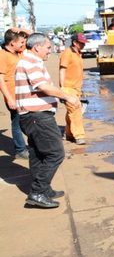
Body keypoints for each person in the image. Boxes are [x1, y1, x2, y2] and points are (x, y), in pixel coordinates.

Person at [15, 33, 81, 208]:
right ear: (37, 47)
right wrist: (68, 97)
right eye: (48, 48)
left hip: (33, 116)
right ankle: (37, 192)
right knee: (55, 153)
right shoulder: (30, 62)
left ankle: (43, 189)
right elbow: (43, 87)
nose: (50, 51)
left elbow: (41, 89)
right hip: (37, 116)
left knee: (38, 154)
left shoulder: (30, 61)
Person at [0, 27, 30, 159]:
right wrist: (9, 99)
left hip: (22, 94)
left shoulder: (17, 52)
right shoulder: (3, 55)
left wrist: (22, 29)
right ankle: (20, 149)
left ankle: (25, 146)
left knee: (26, 120)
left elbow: (29, 38)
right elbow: (0, 79)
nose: (22, 45)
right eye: (20, 43)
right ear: (12, 43)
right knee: (18, 123)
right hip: (12, 95)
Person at [59, 33, 87, 145]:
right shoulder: (67, 53)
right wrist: (62, 88)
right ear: (75, 43)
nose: (84, 45)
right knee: (76, 111)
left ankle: (69, 133)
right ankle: (79, 136)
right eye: (81, 43)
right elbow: (62, 70)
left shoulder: (78, 54)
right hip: (68, 88)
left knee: (71, 112)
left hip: (77, 89)